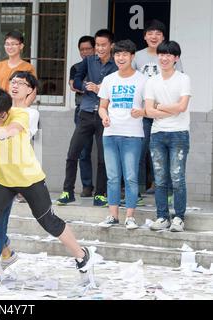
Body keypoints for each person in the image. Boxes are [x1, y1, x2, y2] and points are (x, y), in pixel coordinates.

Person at [0, 88, 96, 287]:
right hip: (1, 179)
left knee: (49, 221)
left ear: (8, 110)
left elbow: (11, 130)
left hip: (28, 178)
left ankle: (82, 256)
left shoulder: (20, 114)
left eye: (0, 116)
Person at [56, 29, 118, 207]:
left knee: (102, 157)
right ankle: (68, 191)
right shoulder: (89, 61)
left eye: (103, 45)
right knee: (72, 153)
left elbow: (118, 88)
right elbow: (75, 81)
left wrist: (101, 89)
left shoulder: (116, 65)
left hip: (105, 115)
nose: (99, 48)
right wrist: (86, 86)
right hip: (85, 112)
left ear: (111, 46)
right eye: (97, 45)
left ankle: (100, 194)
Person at [97, 40, 147, 229]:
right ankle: (113, 215)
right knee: (113, 177)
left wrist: (141, 112)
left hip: (132, 134)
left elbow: (150, 106)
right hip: (110, 134)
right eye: (117, 54)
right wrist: (104, 117)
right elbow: (102, 107)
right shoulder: (109, 80)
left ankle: (130, 216)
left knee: (131, 176)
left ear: (132, 56)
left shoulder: (142, 80)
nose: (121, 57)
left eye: (125, 54)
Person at [0, 71, 39, 269]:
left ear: (30, 90)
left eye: (21, 83)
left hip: (14, 172)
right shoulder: (2, 108)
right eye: (12, 81)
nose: (15, 85)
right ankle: (4, 251)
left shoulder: (31, 113)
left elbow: (17, 132)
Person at [133, 19, 183, 199]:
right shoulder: (137, 56)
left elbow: (179, 82)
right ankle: (136, 191)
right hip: (144, 113)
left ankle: (166, 190)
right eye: (150, 33)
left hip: (165, 114)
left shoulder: (170, 55)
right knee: (140, 151)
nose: (154, 37)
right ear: (144, 36)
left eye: (158, 33)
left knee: (164, 154)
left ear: (164, 37)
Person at [144, 41, 191, 232]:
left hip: (179, 134)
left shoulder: (183, 79)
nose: (164, 58)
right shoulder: (152, 81)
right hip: (157, 134)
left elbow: (182, 107)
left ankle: (179, 217)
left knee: (177, 177)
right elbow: (148, 110)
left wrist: (160, 106)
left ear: (176, 58)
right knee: (160, 179)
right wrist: (166, 109)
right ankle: (162, 216)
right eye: (161, 54)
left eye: (169, 55)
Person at [69, 36, 95, 197]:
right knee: (83, 150)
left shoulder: (101, 65)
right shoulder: (76, 67)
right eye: (82, 49)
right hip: (81, 110)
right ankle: (87, 185)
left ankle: (105, 188)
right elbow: (73, 86)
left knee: (106, 150)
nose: (85, 52)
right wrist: (92, 87)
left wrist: (83, 86)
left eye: (88, 49)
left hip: (101, 109)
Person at [0, 30, 37, 106]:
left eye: (13, 44)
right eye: (7, 44)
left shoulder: (28, 67)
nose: (10, 47)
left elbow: (33, 92)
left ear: (21, 46)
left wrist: (22, 108)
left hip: (19, 107)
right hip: (1, 108)